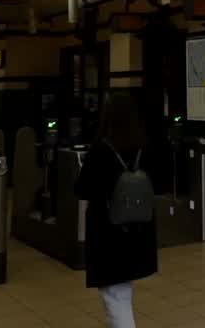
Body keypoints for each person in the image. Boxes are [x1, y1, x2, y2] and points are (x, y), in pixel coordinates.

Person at [75, 93, 157, 328]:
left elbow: (82, 188)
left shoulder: (102, 150)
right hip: (139, 231)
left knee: (115, 297)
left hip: (109, 235)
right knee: (121, 292)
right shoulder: (144, 147)